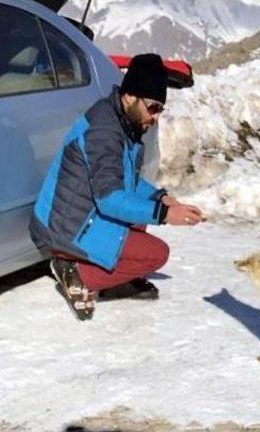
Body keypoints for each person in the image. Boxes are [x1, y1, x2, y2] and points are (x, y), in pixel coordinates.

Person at [29, 53, 204, 321]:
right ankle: (75, 272)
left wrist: (161, 199)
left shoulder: (122, 121)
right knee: (156, 254)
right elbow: (110, 199)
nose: (155, 117)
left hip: (76, 215)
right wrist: (165, 215)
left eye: (160, 110)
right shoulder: (104, 131)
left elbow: (127, 182)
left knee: (142, 215)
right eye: (153, 107)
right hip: (65, 226)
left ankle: (116, 274)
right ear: (131, 96)